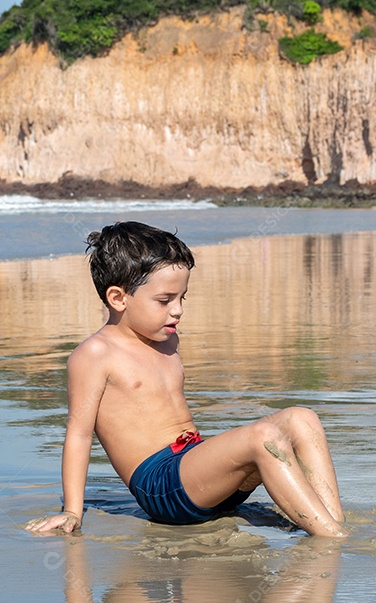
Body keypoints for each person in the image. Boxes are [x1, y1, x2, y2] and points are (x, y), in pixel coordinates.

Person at [26, 221, 347, 537]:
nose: (177, 310)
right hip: (162, 487)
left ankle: (331, 522)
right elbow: (79, 435)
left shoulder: (167, 341)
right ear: (118, 298)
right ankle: (332, 539)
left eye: (183, 298)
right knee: (263, 435)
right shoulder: (95, 354)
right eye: (165, 301)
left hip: (197, 472)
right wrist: (72, 510)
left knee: (302, 419)